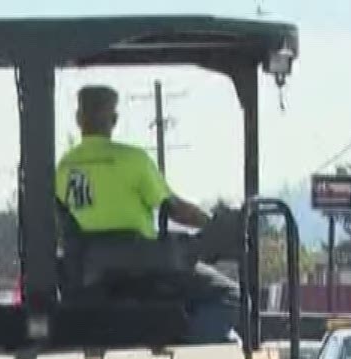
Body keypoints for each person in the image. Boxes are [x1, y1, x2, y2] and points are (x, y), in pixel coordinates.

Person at [54, 85, 241, 345]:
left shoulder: (64, 168)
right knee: (230, 295)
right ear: (114, 120)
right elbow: (174, 208)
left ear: (78, 119)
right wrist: (212, 223)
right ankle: (189, 350)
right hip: (146, 273)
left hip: (88, 279)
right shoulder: (132, 160)